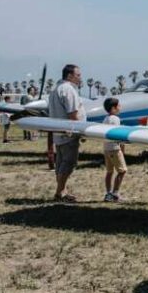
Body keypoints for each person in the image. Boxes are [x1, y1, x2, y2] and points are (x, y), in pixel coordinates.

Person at [48, 64, 86, 202]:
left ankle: (62, 191)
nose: (80, 77)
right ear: (70, 76)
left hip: (58, 132)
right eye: (78, 75)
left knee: (61, 163)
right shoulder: (68, 89)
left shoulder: (55, 89)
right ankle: (59, 192)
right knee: (68, 163)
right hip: (69, 133)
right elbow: (72, 113)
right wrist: (80, 131)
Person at [101, 97, 127, 201]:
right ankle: (115, 193)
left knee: (109, 171)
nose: (120, 107)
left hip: (106, 148)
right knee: (122, 171)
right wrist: (122, 148)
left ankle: (108, 193)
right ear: (113, 108)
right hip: (114, 148)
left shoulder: (105, 119)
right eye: (118, 106)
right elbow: (118, 135)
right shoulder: (115, 119)